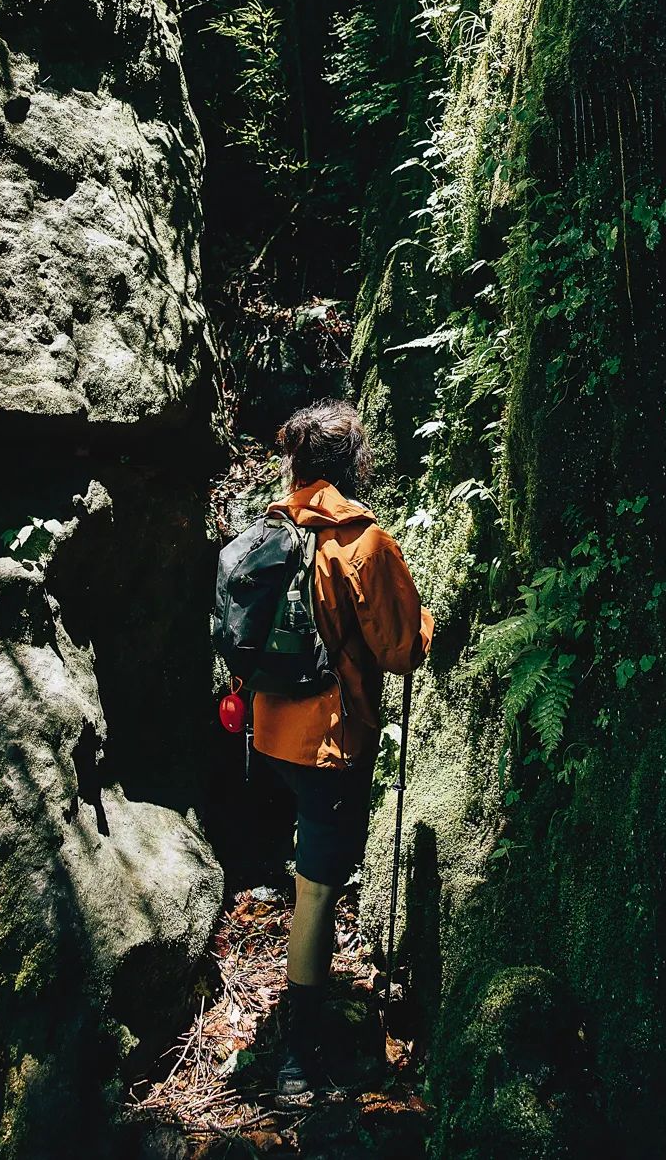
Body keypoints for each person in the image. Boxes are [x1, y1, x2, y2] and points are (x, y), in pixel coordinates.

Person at [252, 399, 433, 1103]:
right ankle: (298, 1054)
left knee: (310, 875)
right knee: (319, 893)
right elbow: (399, 650)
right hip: (329, 746)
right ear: (355, 464)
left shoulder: (271, 529)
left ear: (296, 463)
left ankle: (301, 1012)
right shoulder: (363, 542)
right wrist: (425, 623)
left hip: (268, 735)